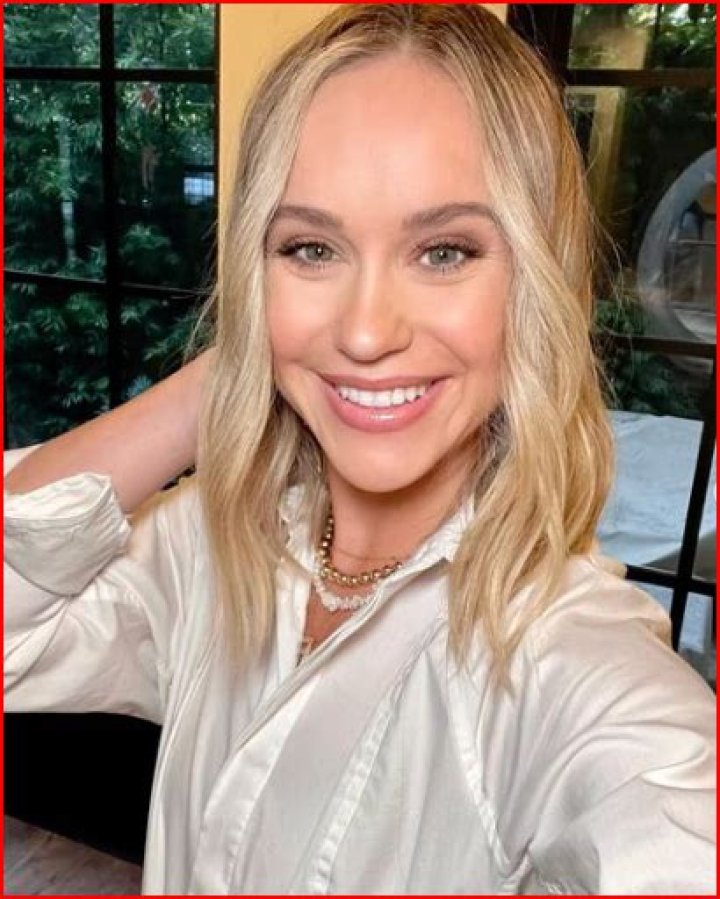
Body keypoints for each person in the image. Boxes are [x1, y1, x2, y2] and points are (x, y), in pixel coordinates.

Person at [4, 4, 715, 895]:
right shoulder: (212, 549)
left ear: (534, 282)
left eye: (444, 251)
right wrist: (241, 364)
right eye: (311, 248)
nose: (367, 331)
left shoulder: (568, 664)